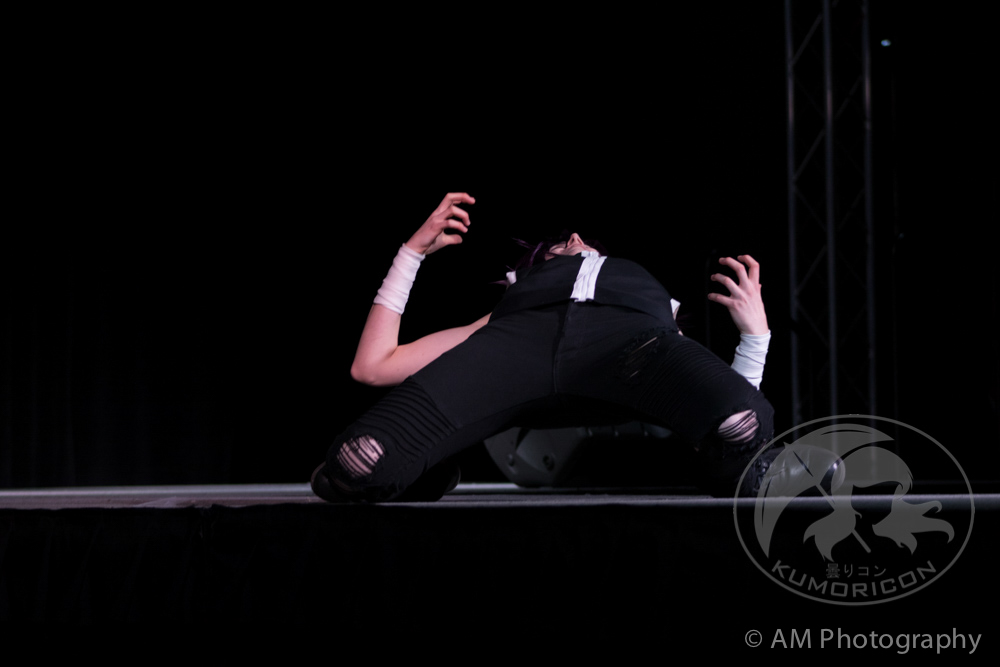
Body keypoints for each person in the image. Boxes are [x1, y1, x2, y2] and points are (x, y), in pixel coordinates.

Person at [311, 192, 774, 502]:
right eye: (558, 246)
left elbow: (728, 412)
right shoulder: (504, 315)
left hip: (629, 349)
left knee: (742, 422)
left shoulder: (652, 313)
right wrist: (410, 254)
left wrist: (755, 337)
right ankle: (414, 469)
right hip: (514, 353)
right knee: (357, 461)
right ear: (523, 275)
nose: (574, 239)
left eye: (584, 243)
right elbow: (373, 366)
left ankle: (734, 476)